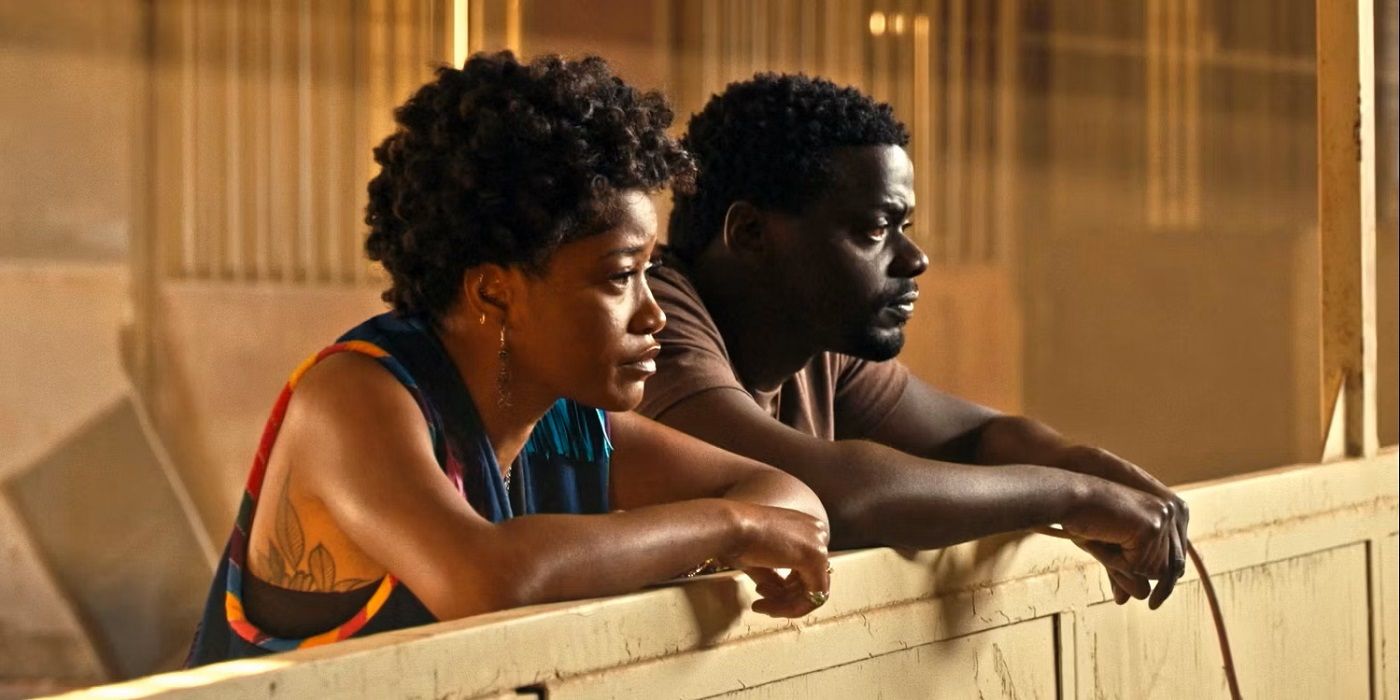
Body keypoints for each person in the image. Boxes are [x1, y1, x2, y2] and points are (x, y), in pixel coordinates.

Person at [186, 53, 831, 666]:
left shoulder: (560, 423)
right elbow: (488, 578)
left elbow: (791, 501)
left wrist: (741, 522)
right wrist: (729, 527)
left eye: (648, 272)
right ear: (494, 291)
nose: (653, 313)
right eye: (618, 277)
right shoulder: (353, 396)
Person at [638, 73, 1189, 609]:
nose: (915, 258)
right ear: (751, 234)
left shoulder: (818, 342)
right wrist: (1076, 496)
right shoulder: (650, 318)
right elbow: (841, 495)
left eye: (906, 227)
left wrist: (1086, 464)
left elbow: (979, 438)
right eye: (877, 230)